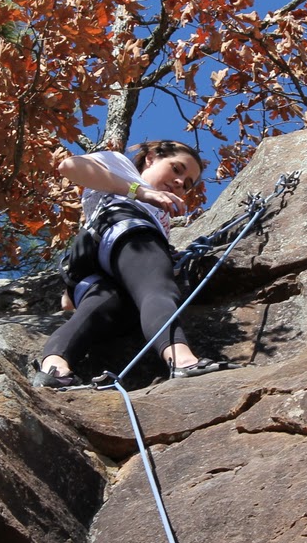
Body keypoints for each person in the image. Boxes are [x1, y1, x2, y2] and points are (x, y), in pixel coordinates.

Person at [32, 140, 228, 387]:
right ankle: (183, 361)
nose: (180, 182)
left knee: (104, 306)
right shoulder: (123, 168)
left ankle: (54, 370)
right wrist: (141, 191)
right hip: (123, 226)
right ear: (151, 158)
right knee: (157, 287)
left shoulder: (161, 215)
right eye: (177, 169)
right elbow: (69, 166)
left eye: (187, 184)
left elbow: (68, 303)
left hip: (94, 262)